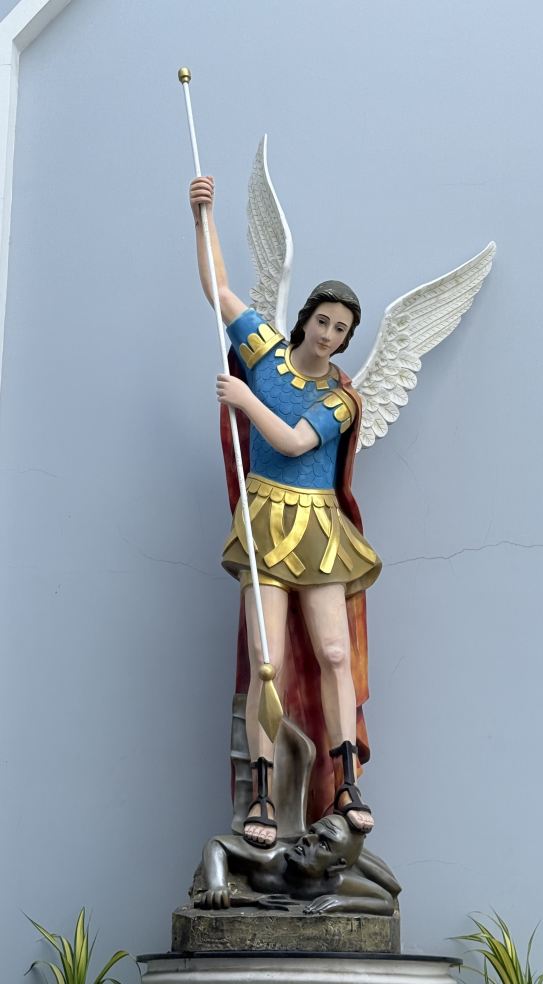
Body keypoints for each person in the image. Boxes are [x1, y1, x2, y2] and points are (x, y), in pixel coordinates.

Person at [190, 176, 381, 848]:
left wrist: (245, 403)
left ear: (348, 340)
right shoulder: (266, 354)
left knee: (333, 651)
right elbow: (219, 289)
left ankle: (346, 781)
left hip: (318, 527)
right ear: (306, 318)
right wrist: (202, 214)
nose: (329, 334)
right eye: (324, 321)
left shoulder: (341, 400)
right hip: (268, 520)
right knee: (265, 657)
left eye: (341, 330)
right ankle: (263, 796)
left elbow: (296, 442)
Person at [192, 814, 399, 915]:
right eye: (312, 832)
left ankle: (355, 855)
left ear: (337, 866)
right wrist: (217, 885)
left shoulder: (336, 883)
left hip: (340, 865)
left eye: (323, 844)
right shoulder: (272, 858)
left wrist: (342, 902)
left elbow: (387, 901)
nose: (307, 839)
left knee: (391, 883)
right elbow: (216, 844)